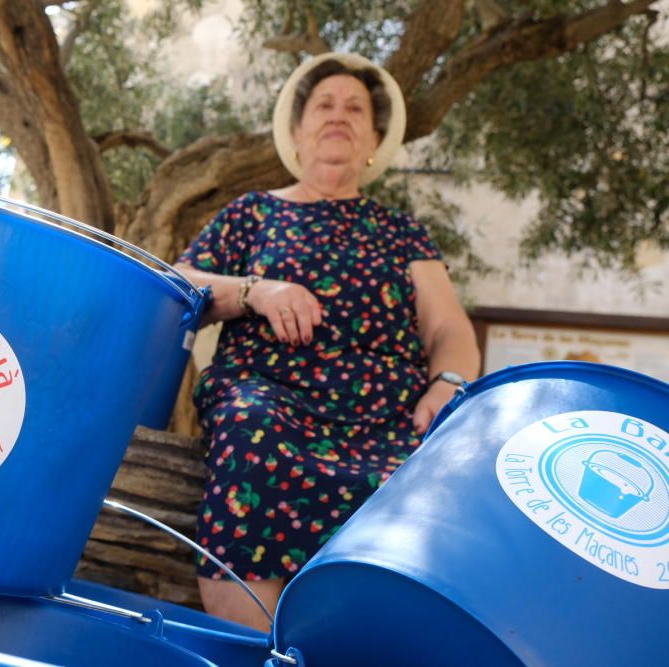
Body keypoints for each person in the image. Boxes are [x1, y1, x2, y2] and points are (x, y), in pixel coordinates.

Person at [173, 53, 480, 632]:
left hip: (388, 413)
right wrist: (254, 291)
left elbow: (449, 329)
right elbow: (177, 284)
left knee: (430, 499)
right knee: (252, 437)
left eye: (355, 108)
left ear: (374, 138)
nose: (339, 115)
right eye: (324, 105)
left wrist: (447, 382)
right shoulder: (253, 213)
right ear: (297, 131)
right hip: (270, 395)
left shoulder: (401, 231)